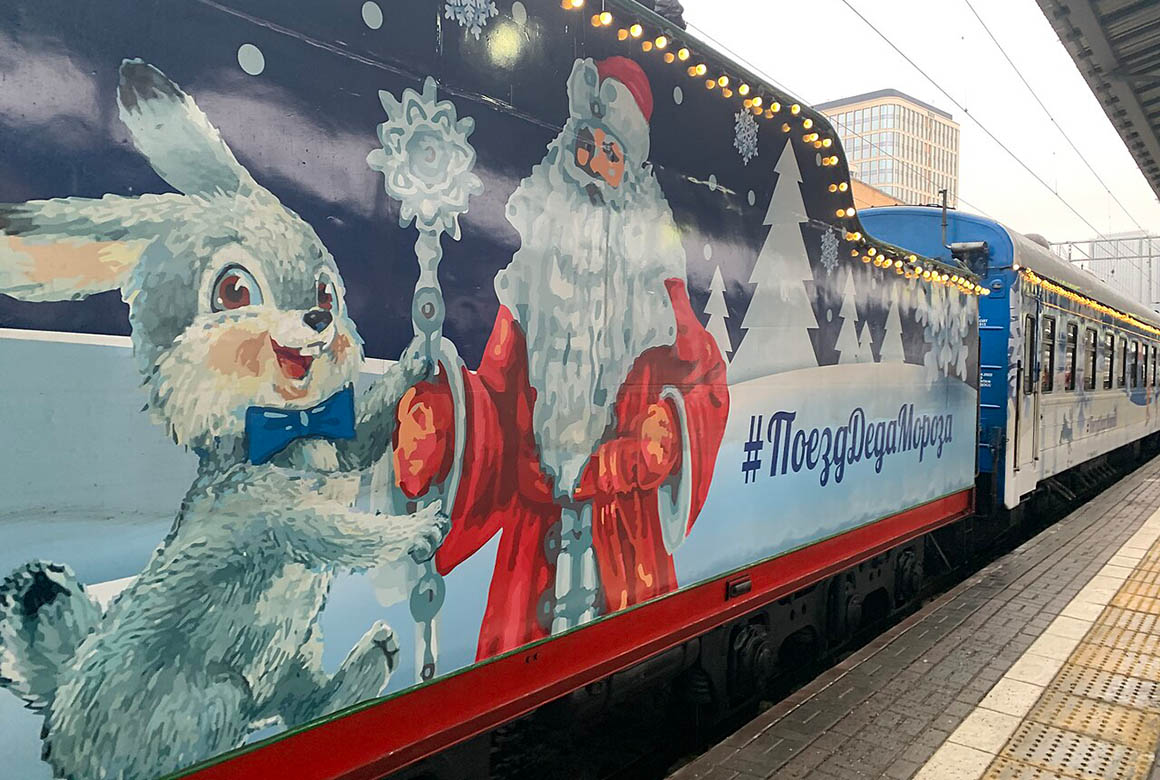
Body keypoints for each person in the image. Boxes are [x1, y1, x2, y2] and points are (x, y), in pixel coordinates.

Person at [393, 56, 728, 660]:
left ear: (631, 171)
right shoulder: (531, 290)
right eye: (585, 147)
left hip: (627, 540)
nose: (593, 169)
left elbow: (705, 382)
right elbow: (496, 408)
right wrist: (444, 421)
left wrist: (668, 434)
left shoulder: (658, 294)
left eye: (611, 154)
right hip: (537, 546)